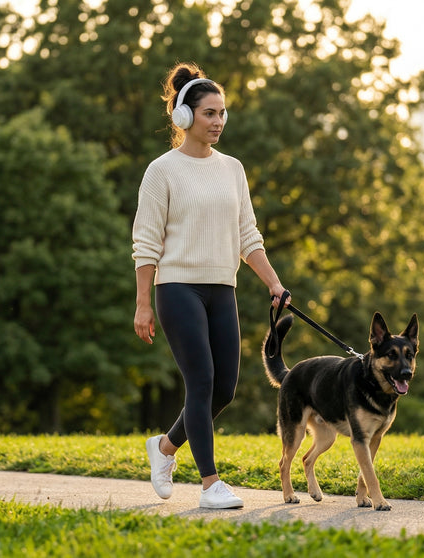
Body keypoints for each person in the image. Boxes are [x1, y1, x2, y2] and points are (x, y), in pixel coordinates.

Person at [132, 62, 289, 509]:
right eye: (209, 113)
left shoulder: (233, 169)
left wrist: (274, 283)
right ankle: (209, 485)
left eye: (222, 113)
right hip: (177, 287)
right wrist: (143, 303)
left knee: (225, 390)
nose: (218, 121)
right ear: (185, 116)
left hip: (223, 288)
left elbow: (247, 236)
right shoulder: (161, 171)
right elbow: (145, 242)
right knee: (200, 382)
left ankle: (164, 447)